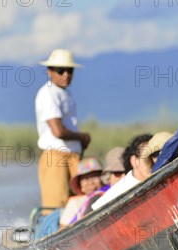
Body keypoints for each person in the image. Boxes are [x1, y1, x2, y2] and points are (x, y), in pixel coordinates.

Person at [36, 49, 91, 213]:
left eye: (70, 70)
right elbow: (58, 131)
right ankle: (51, 236)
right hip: (56, 156)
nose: (66, 74)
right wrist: (82, 137)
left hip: (72, 155)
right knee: (56, 207)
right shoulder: (48, 93)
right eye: (60, 70)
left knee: (79, 202)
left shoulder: (66, 93)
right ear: (49, 71)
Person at [90, 134, 153, 211]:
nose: (154, 162)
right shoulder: (109, 199)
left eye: (157, 156)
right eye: (148, 158)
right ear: (134, 161)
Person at [60, 158, 104, 226]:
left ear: (102, 179)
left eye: (94, 177)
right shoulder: (75, 203)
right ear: (81, 186)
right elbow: (63, 228)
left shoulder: (109, 195)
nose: (90, 182)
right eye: (86, 179)